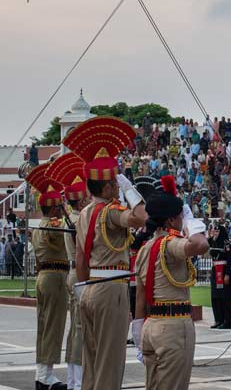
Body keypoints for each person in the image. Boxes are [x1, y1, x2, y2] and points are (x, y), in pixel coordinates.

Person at [69, 116, 146, 390]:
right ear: (109, 186)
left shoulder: (84, 214)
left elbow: (80, 258)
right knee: (110, 363)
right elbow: (140, 218)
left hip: (88, 287)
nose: (116, 187)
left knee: (91, 360)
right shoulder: (111, 211)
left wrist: (82, 289)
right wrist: (130, 189)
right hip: (111, 287)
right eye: (114, 183)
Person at [133, 190, 208, 389]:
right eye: (181, 216)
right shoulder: (170, 245)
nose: (183, 220)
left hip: (151, 326)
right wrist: (193, 223)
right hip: (173, 327)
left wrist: (138, 333)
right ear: (172, 220)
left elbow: (140, 299)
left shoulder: (145, 248)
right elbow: (201, 244)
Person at [48, 153, 92, 390]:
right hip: (79, 274)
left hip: (74, 274)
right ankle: (77, 381)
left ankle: (77, 378)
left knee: (77, 329)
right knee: (79, 330)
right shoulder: (78, 221)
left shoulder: (75, 219)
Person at [26, 163, 70, 390]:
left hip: (46, 276)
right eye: (60, 207)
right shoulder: (53, 226)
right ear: (54, 209)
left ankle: (42, 373)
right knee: (53, 325)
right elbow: (66, 229)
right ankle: (46, 375)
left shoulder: (40, 225)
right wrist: (69, 212)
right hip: (55, 278)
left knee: (45, 325)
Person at [208, 223, 231, 329]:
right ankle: (218, 319)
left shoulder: (226, 243)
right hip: (215, 270)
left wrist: (227, 273)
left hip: (224, 270)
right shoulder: (213, 241)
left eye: (217, 231)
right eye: (215, 231)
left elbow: (229, 259)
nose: (215, 233)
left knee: (224, 297)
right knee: (215, 296)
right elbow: (205, 244)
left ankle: (226, 321)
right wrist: (211, 236)